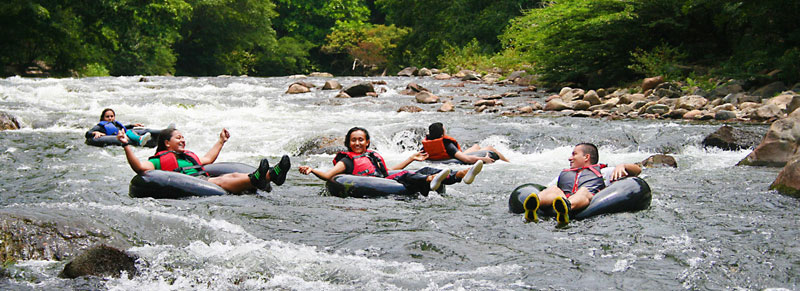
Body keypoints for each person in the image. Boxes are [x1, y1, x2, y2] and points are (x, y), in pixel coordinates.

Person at [298, 127, 484, 196]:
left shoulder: (372, 155)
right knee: (411, 177)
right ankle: (430, 181)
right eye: (353, 140)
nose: (357, 143)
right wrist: (312, 170)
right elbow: (329, 176)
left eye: (360, 140)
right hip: (370, 183)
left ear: (367, 142)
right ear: (348, 142)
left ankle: (461, 174)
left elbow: (389, 171)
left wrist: (411, 158)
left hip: (384, 178)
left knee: (425, 167)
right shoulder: (347, 160)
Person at [117, 127, 290, 194]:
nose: (183, 140)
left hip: (202, 179)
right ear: (166, 143)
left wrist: (221, 141)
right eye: (178, 138)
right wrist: (126, 145)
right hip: (189, 183)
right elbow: (139, 168)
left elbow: (208, 159)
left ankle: (273, 175)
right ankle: (259, 178)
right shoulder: (158, 161)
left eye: (183, 137)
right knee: (222, 180)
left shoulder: (188, 157)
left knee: (234, 174)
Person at [525, 143, 641, 226]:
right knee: (553, 189)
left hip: (586, 199)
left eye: (574, 154)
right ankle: (534, 203)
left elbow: (637, 171)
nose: (570, 158)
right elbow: (546, 188)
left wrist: (622, 166)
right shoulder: (564, 174)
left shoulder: (604, 172)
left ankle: (567, 207)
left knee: (583, 191)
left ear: (586, 157)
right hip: (563, 197)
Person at [421, 122, 509, 164]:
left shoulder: (426, 144)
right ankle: (509, 163)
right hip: (454, 157)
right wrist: (484, 159)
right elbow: (466, 159)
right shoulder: (447, 145)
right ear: (442, 134)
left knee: (476, 146)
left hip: (447, 158)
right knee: (490, 148)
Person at [86, 108, 151, 146]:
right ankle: (139, 139)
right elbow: (88, 133)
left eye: (112, 116)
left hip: (120, 135)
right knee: (129, 132)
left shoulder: (115, 124)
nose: (110, 118)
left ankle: (140, 138)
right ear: (103, 118)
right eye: (107, 117)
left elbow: (121, 128)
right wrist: (95, 133)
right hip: (113, 138)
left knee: (128, 131)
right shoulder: (100, 126)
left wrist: (132, 125)